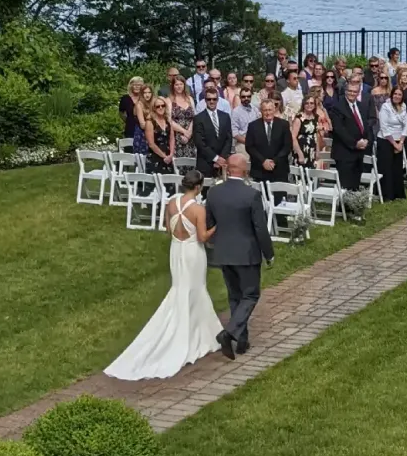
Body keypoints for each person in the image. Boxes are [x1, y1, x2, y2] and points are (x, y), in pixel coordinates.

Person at [104, 169, 224, 379]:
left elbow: (167, 228)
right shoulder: (198, 209)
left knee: (181, 287)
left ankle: (199, 329)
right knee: (195, 288)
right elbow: (203, 237)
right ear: (198, 187)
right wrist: (218, 226)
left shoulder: (171, 203)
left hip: (176, 250)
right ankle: (197, 333)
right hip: (192, 252)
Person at [204, 154, 273, 358]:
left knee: (235, 296)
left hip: (224, 252)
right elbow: (260, 228)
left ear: (228, 169)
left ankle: (242, 341)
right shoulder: (251, 194)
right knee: (250, 294)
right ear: (244, 170)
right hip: (247, 253)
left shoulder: (214, 193)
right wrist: (268, 253)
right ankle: (229, 333)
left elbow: (210, 222)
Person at [328, 78, 373, 190]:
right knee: (345, 185)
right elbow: (339, 130)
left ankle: (354, 205)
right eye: (349, 91)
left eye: (354, 92)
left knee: (355, 184)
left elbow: (366, 125)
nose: (352, 94)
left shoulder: (361, 106)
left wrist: (367, 140)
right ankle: (344, 207)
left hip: (359, 152)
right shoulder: (337, 107)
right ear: (345, 91)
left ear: (358, 93)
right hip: (345, 152)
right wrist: (354, 143)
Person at [246, 99, 292, 183]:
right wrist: (263, 161)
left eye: (270, 110)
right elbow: (249, 147)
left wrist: (274, 161)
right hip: (259, 170)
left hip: (279, 169)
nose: (268, 113)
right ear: (261, 111)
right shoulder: (253, 126)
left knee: (280, 196)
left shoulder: (283, 124)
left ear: (274, 109)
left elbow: (287, 146)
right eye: (265, 110)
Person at [376, 85, 407, 201]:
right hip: (386, 140)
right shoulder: (385, 107)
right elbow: (384, 127)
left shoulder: (403, 107)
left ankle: (398, 194)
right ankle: (387, 195)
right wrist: (394, 144)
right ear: (392, 95)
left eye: (399, 94)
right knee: (387, 168)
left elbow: (405, 125)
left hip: (398, 140)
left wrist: (401, 142)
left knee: (397, 168)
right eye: (395, 94)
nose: (397, 96)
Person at [192, 91, 233, 177]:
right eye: (209, 99)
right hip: (205, 163)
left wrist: (222, 158)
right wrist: (215, 158)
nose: (211, 101)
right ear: (205, 100)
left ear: (217, 100)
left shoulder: (225, 116)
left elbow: (229, 139)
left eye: (214, 99)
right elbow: (199, 142)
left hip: (223, 163)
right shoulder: (198, 118)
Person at [167, 77, 197, 172]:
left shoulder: (190, 99)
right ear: (173, 86)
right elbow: (169, 120)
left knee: (191, 163)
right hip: (176, 137)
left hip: (191, 137)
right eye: (176, 84)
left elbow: (194, 117)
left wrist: (189, 133)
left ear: (184, 85)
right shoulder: (169, 100)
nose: (179, 86)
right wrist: (183, 131)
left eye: (181, 84)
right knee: (178, 165)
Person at [291, 92, 327, 169]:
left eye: (311, 103)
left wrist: (317, 151)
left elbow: (316, 135)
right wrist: (300, 154)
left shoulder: (316, 117)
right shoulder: (299, 118)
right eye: (307, 103)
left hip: (312, 151)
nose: (309, 105)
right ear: (303, 105)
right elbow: (293, 137)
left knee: (311, 176)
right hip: (301, 150)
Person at [142, 93, 174, 174]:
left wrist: (171, 154)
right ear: (154, 108)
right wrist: (164, 156)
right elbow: (151, 144)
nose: (160, 108)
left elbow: (172, 139)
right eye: (158, 106)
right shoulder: (150, 122)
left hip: (168, 157)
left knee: (170, 184)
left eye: (162, 105)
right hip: (155, 157)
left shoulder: (168, 121)